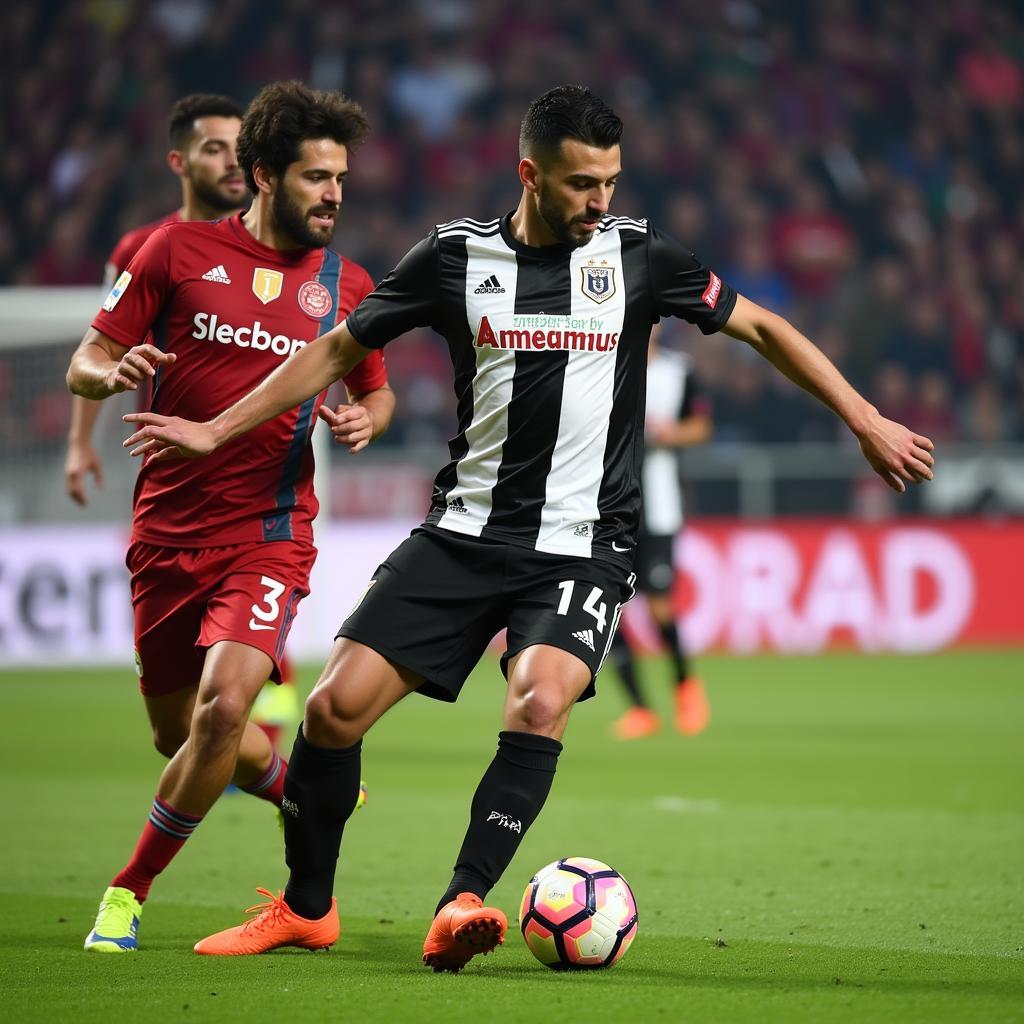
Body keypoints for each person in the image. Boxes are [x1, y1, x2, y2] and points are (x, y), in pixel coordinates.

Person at [123, 85, 935, 971]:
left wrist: (862, 416)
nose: (601, 202)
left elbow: (763, 328)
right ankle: (306, 908)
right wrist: (213, 427)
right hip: (463, 532)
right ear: (529, 174)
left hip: (585, 544)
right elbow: (334, 352)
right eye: (582, 184)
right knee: (330, 711)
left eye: (611, 182)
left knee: (540, 699)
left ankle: (461, 899)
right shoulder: (452, 258)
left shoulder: (638, 256)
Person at [66, 80, 395, 953]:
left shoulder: (346, 282)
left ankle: (127, 893)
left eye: (340, 179)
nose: (333, 194)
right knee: (179, 732)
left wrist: (369, 418)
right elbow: (85, 362)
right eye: (316, 177)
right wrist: (108, 375)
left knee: (223, 712)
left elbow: (378, 390)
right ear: (263, 175)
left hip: (270, 535)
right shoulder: (174, 252)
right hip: (165, 535)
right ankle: (298, 787)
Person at [65, 92, 247, 508]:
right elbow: (103, 343)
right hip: (171, 464)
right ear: (179, 163)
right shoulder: (140, 247)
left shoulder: (277, 251)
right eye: (215, 149)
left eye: (240, 149)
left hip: (258, 461)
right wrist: (80, 442)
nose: (233, 162)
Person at [609, 328, 713, 740]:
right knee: (608, 611)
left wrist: (672, 433)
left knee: (660, 609)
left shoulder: (679, 371)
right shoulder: (607, 363)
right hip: (611, 506)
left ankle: (686, 684)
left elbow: (702, 427)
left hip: (659, 507)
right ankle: (639, 709)